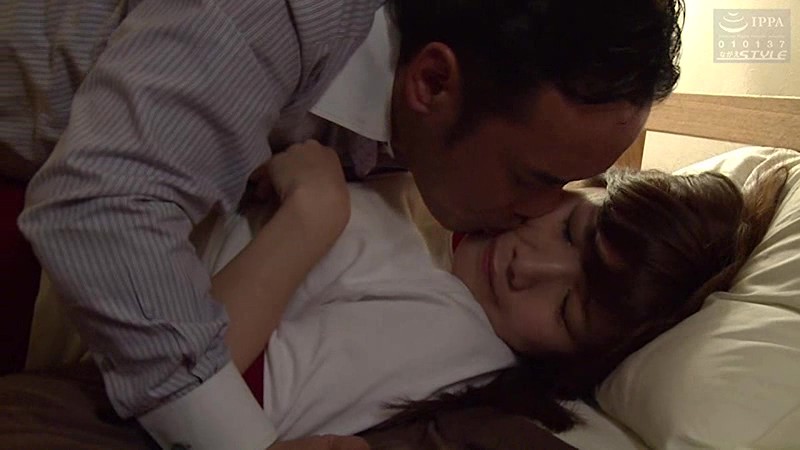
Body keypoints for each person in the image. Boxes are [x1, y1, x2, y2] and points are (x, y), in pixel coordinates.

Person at [3, 0, 683, 448]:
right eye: (534, 179)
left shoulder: (423, 132)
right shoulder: (277, 16)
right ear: (432, 84)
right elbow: (97, 208)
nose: (535, 216)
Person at [205, 143, 787, 443]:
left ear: (565, 360)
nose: (526, 265)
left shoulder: (447, 331)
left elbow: (205, 392)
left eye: (565, 309)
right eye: (572, 229)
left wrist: (310, 214)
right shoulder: (470, 198)